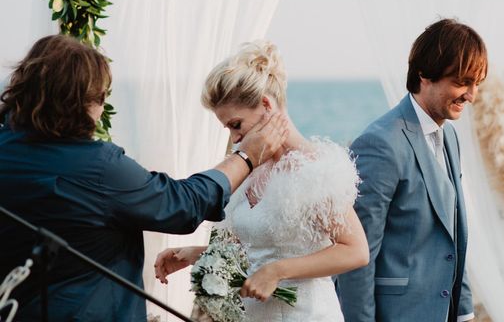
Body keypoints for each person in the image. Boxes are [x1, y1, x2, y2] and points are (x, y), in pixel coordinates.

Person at [0, 34, 288, 321]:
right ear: (78, 102)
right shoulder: (98, 168)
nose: (100, 113)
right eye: (101, 99)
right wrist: (246, 157)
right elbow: (182, 204)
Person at [154, 40, 369, 321]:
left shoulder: (313, 169)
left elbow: (356, 251)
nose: (234, 138)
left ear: (266, 105)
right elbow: (258, 249)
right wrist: (195, 254)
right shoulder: (249, 170)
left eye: (236, 125)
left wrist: (277, 271)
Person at [336, 18, 487, 322]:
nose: (471, 95)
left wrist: (465, 313)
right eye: (462, 82)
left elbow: (453, 238)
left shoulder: (450, 137)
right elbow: (357, 257)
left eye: (476, 84)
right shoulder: (380, 144)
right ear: (424, 73)